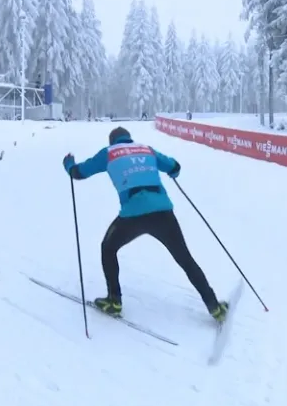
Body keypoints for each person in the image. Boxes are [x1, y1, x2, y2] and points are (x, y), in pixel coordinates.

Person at [62, 126, 230, 321]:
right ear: (129, 139)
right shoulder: (146, 149)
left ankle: (114, 301)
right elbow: (174, 167)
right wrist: (171, 171)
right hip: (163, 212)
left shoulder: (108, 153)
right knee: (185, 259)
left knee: (108, 248)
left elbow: (79, 173)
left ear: (112, 141)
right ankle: (214, 307)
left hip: (133, 213)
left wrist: (69, 164)